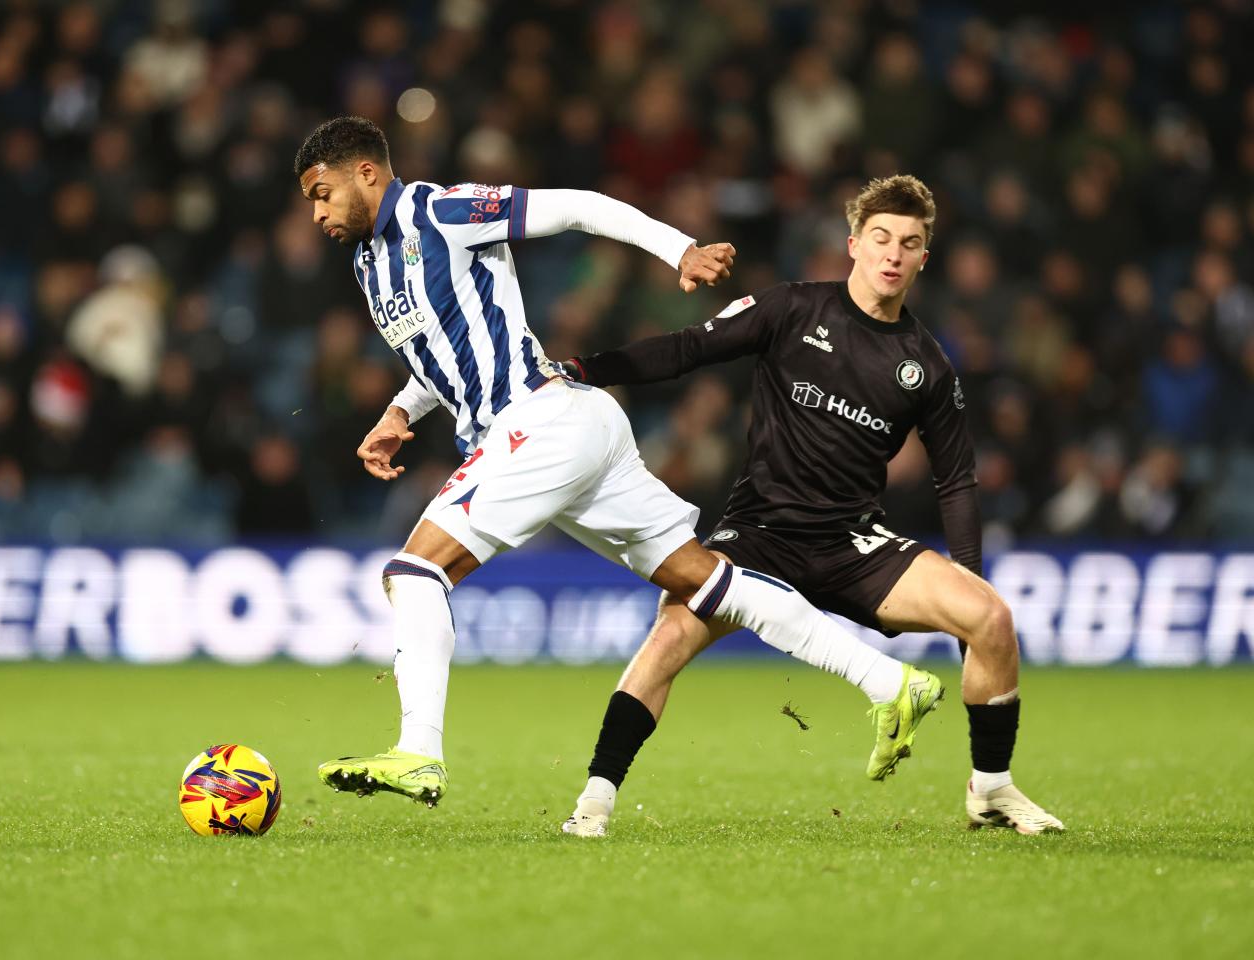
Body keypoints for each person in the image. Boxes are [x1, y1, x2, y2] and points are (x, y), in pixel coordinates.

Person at [293, 117, 943, 808]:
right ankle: (890, 683)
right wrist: (400, 413)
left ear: (366, 174)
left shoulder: (439, 210)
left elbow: (580, 206)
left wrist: (680, 249)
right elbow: (440, 352)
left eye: (322, 192)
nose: (317, 213)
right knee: (704, 580)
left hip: (539, 421)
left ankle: (419, 751)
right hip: (573, 427)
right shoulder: (369, 262)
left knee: (415, 571)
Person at [559, 174, 1064, 836]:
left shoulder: (925, 365)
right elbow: (688, 350)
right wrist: (584, 369)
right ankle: (595, 800)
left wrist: (967, 569)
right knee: (669, 637)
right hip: (758, 535)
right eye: (880, 238)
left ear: (922, 259)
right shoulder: (791, 310)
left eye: (908, 243)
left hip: (852, 546)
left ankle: (991, 791)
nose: (892, 253)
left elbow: (957, 480)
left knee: (990, 618)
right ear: (854, 245)